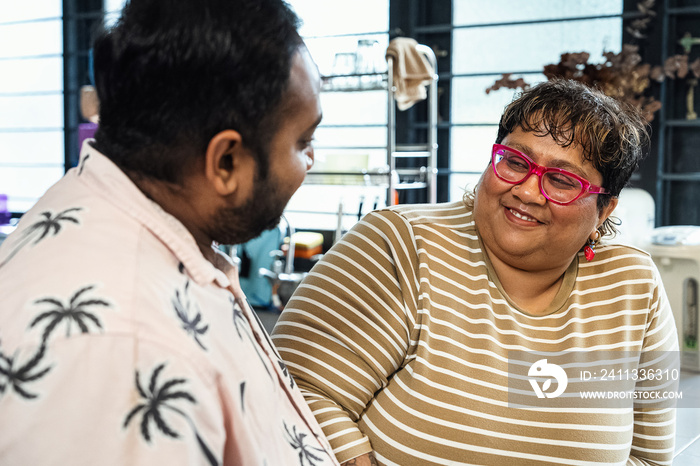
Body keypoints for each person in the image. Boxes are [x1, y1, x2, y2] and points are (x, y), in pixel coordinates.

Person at [271, 79, 679, 465]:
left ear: (604, 210)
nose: (526, 190)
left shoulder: (632, 286)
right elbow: (292, 387)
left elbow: (649, 456)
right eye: (516, 162)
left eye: (560, 179)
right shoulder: (400, 244)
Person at [0, 0, 338, 465]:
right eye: (303, 142)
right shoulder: (126, 349)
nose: (311, 160)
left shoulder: (113, 209)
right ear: (226, 162)